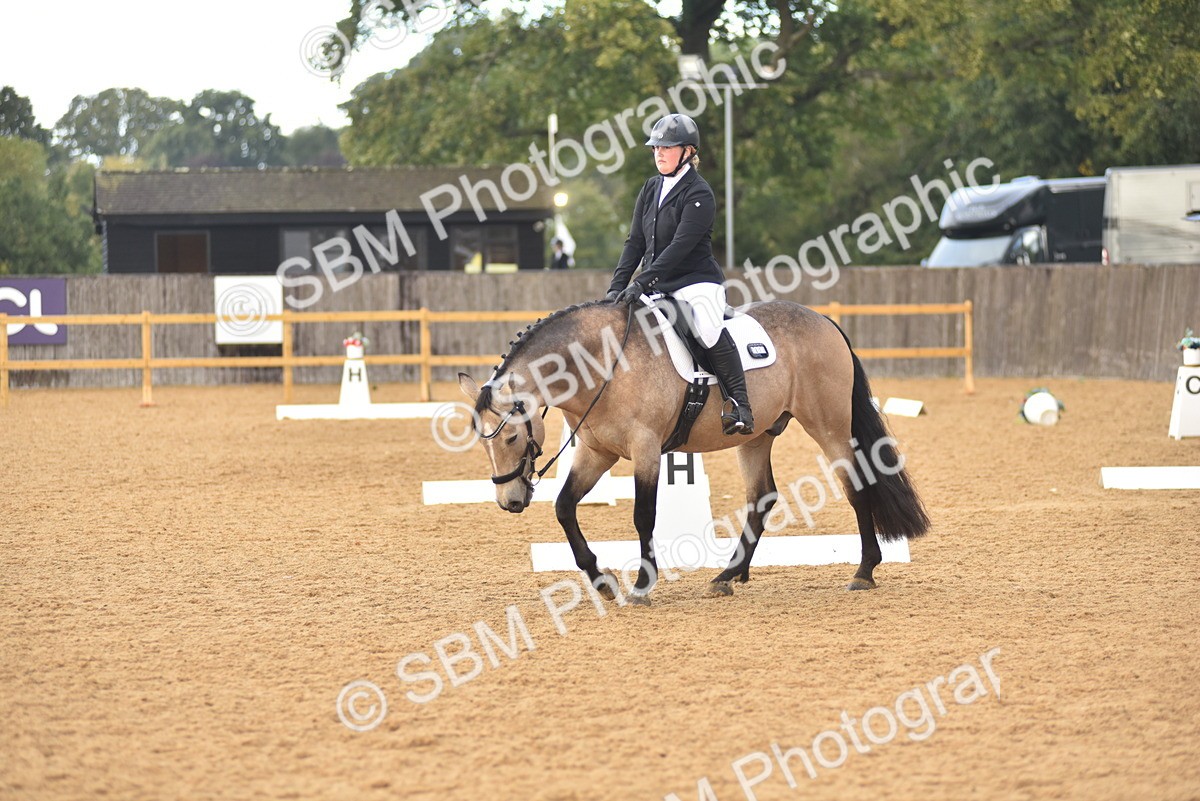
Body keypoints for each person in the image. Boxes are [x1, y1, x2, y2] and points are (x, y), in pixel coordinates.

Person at [605, 113, 753, 435]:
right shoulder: (650, 188)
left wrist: (642, 281)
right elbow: (635, 242)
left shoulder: (699, 193)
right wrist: (616, 288)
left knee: (708, 331)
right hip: (657, 283)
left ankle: (740, 404)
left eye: (666, 147)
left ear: (688, 151)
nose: (658, 153)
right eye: (655, 148)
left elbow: (680, 247)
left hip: (696, 281)